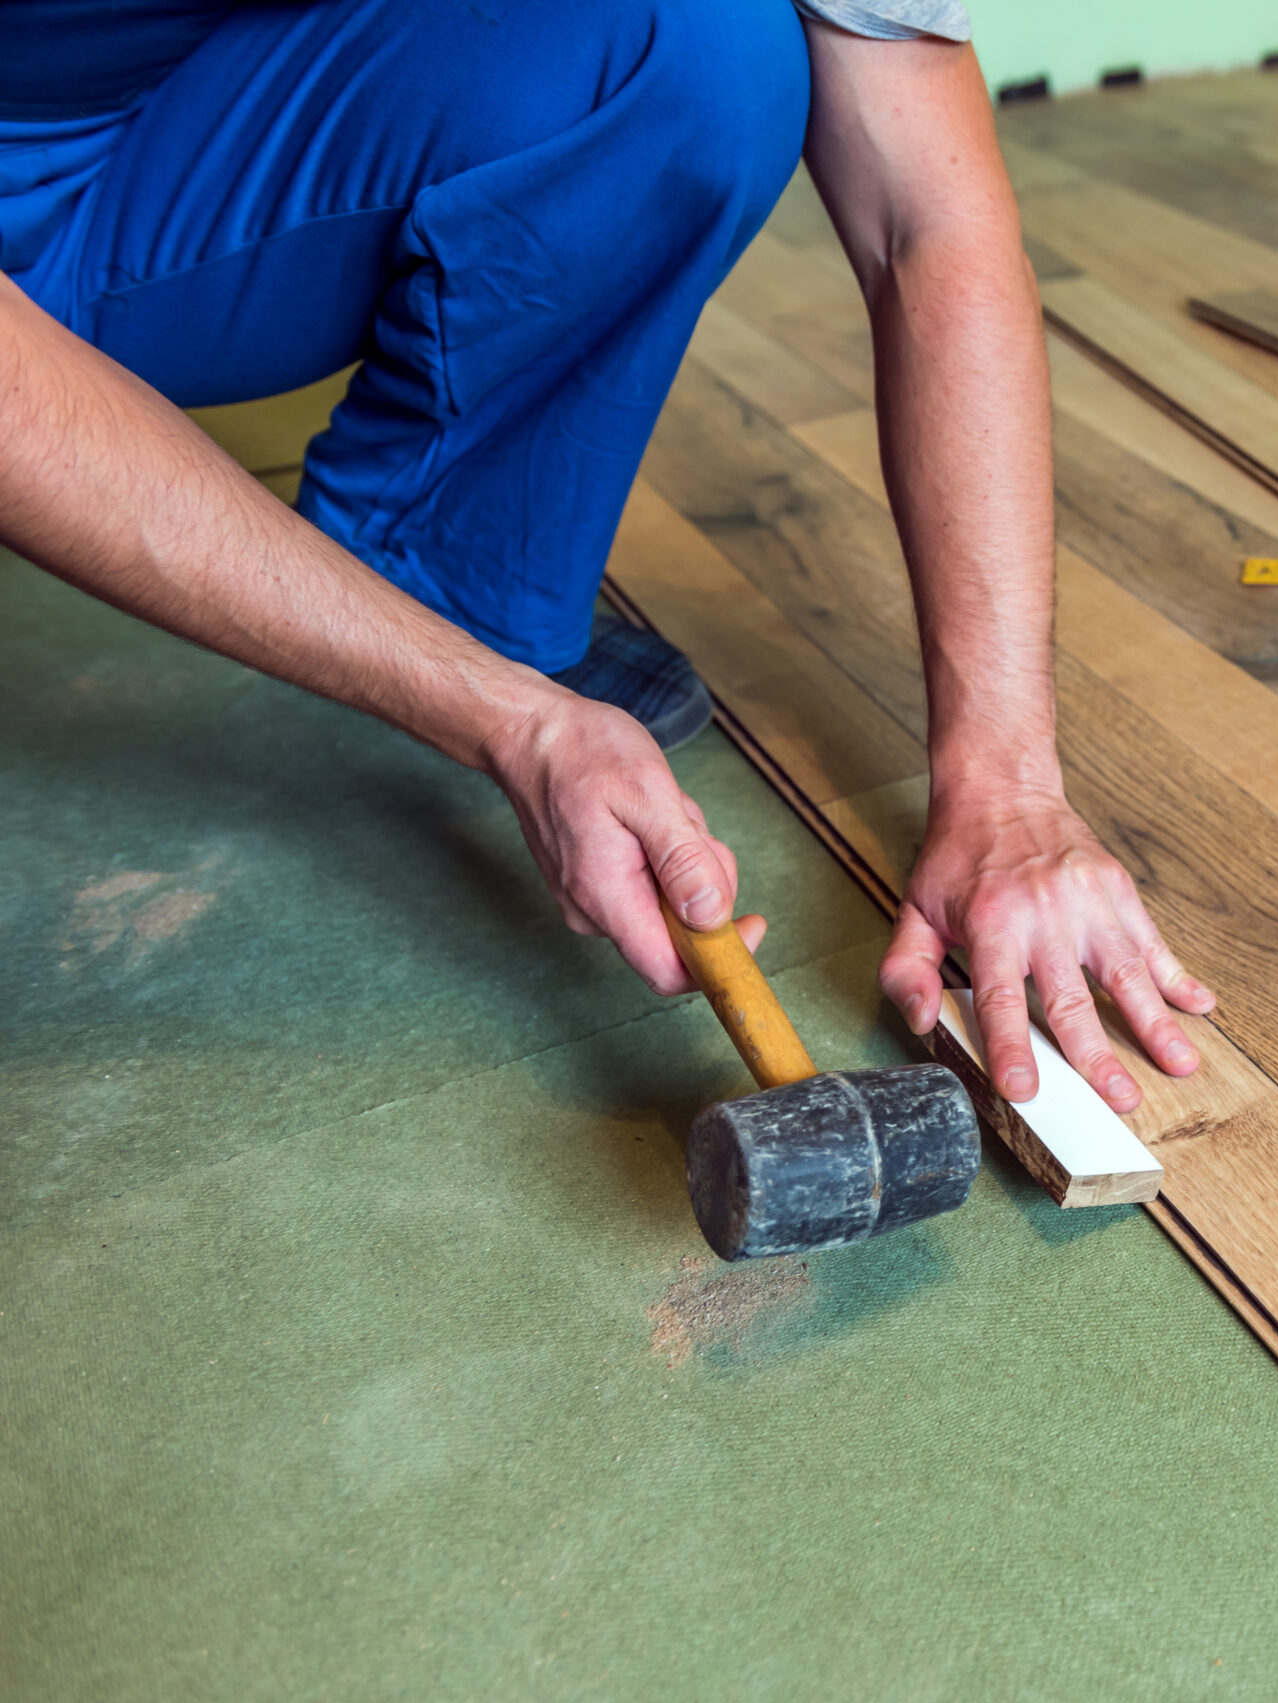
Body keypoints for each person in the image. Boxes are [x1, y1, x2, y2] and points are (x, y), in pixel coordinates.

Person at [0, 0, 1211, 1112]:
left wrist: (1006, 782)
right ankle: (443, 658)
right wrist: (508, 722)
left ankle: (442, 583)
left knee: (704, 47)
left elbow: (925, 218)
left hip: (182, 134)